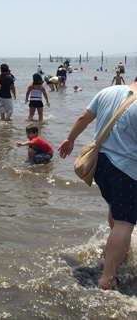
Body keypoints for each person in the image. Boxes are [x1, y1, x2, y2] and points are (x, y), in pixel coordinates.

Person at [58, 79, 137, 290]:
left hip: (100, 163)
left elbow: (84, 117)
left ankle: (121, 252)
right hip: (126, 169)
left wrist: (70, 139)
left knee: (115, 210)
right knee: (124, 223)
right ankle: (107, 278)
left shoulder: (108, 91)